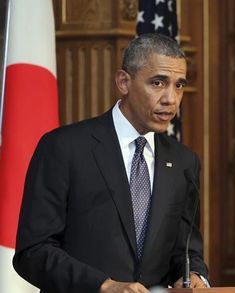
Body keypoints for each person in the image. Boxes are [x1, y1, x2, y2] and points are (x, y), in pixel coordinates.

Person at [13, 33, 209, 293]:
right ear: (124, 82)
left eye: (179, 85)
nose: (171, 99)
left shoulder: (184, 161)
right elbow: (33, 252)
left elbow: (186, 250)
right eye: (158, 83)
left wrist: (194, 274)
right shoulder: (64, 148)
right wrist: (103, 286)